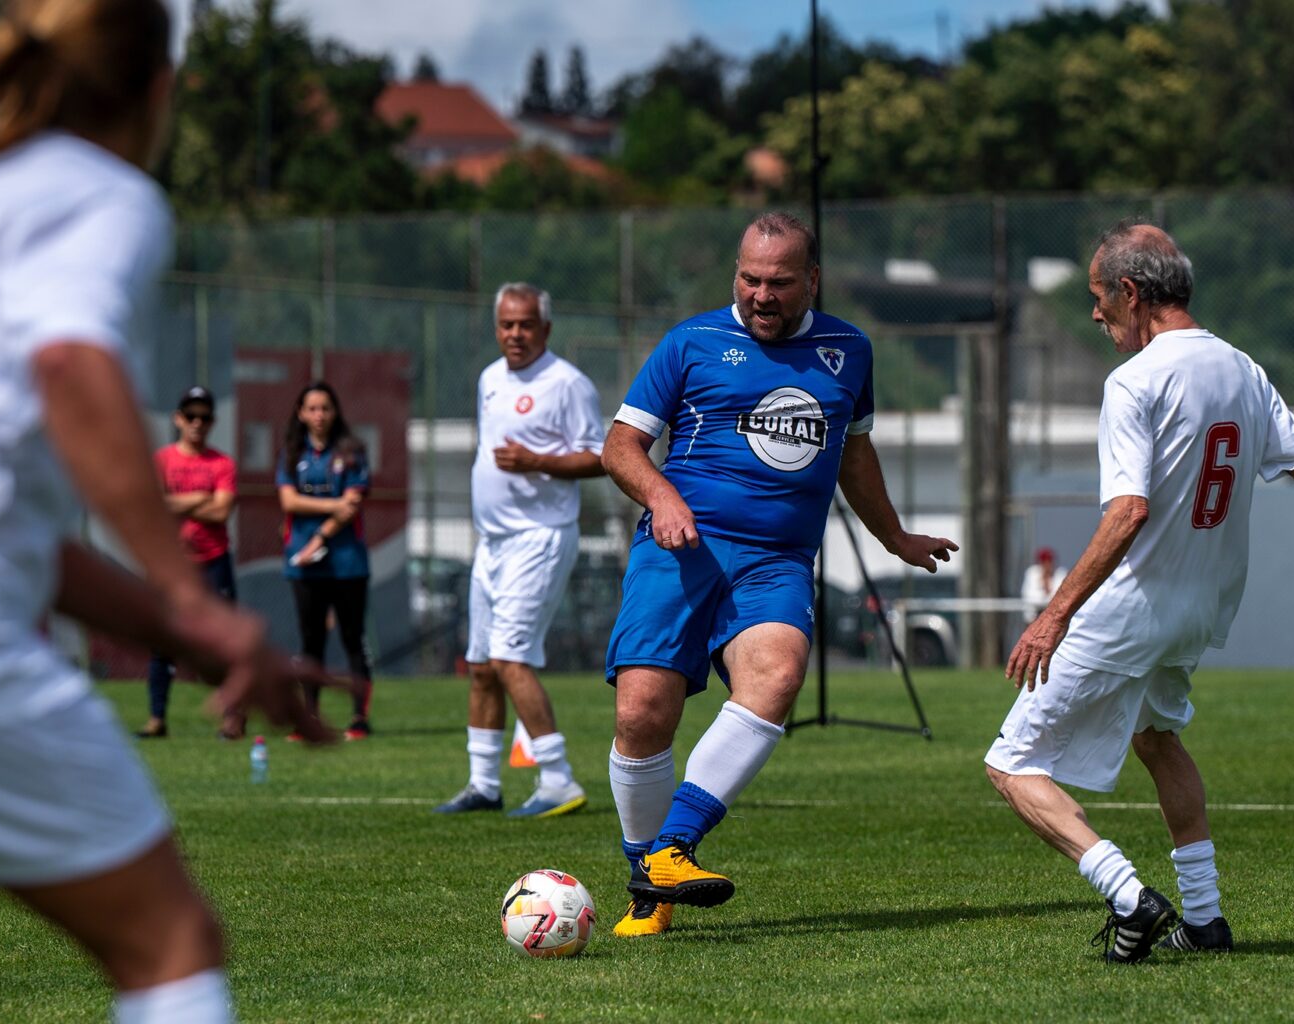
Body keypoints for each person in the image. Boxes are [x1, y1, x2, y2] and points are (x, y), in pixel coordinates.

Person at [0, 4, 339, 1022]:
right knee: (168, 945)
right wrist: (190, 595)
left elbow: (23, 542)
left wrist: (190, 635)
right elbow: (69, 361)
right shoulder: (100, 193)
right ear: (160, 88)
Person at [987, 223, 1294, 963]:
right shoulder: (1243, 369)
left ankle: (1129, 897)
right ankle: (1204, 919)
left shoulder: (1134, 380)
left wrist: (1053, 614)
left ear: (1131, 292)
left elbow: (1128, 511)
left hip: (1133, 606)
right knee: (1156, 738)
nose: (1096, 314)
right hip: (1202, 608)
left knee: (1011, 764)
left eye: (1100, 299)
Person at [600, 212, 957, 937]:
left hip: (776, 560)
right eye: (750, 278)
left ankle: (670, 849)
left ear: (812, 281)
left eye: (779, 283)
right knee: (641, 714)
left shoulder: (849, 351)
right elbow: (621, 446)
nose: (761, 295)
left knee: (780, 674)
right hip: (680, 548)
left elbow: (854, 453)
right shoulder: (691, 341)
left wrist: (894, 536)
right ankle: (648, 883)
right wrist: (662, 498)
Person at [434, 282, 606, 818]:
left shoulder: (567, 383)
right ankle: (483, 784)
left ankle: (557, 780)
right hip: (493, 543)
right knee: (482, 665)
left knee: (510, 658)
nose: (515, 334)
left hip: (541, 536)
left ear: (545, 328)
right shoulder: (490, 378)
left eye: (526, 324)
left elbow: (600, 456)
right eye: (507, 324)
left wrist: (537, 461)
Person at [136, 385, 240, 740]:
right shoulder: (162, 460)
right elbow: (153, 505)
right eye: (191, 416)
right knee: (163, 639)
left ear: (213, 422)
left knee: (224, 641)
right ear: (178, 419)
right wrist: (200, 497)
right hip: (173, 564)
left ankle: (231, 718)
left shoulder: (222, 463)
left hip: (214, 561)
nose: (197, 423)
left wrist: (177, 502)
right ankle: (156, 718)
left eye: (204, 417)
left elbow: (221, 511)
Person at [277, 381, 376, 739]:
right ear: (301, 414)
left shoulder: (351, 452)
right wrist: (333, 504)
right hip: (304, 563)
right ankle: (309, 718)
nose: (319, 415)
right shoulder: (292, 453)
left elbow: (352, 508)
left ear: (335, 412)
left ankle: (359, 719)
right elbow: (289, 501)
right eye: (312, 409)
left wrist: (320, 536)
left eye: (325, 408)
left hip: (347, 563)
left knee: (352, 639)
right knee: (311, 642)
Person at [1020, 547, 1068, 624]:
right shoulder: (1032, 573)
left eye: (1049, 561)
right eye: (1044, 561)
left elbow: (1061, 597)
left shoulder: (1061, 574)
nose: (1047, 564)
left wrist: (1047, 589)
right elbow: (1029, 597)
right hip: (1033, 619)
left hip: (1054, 619)